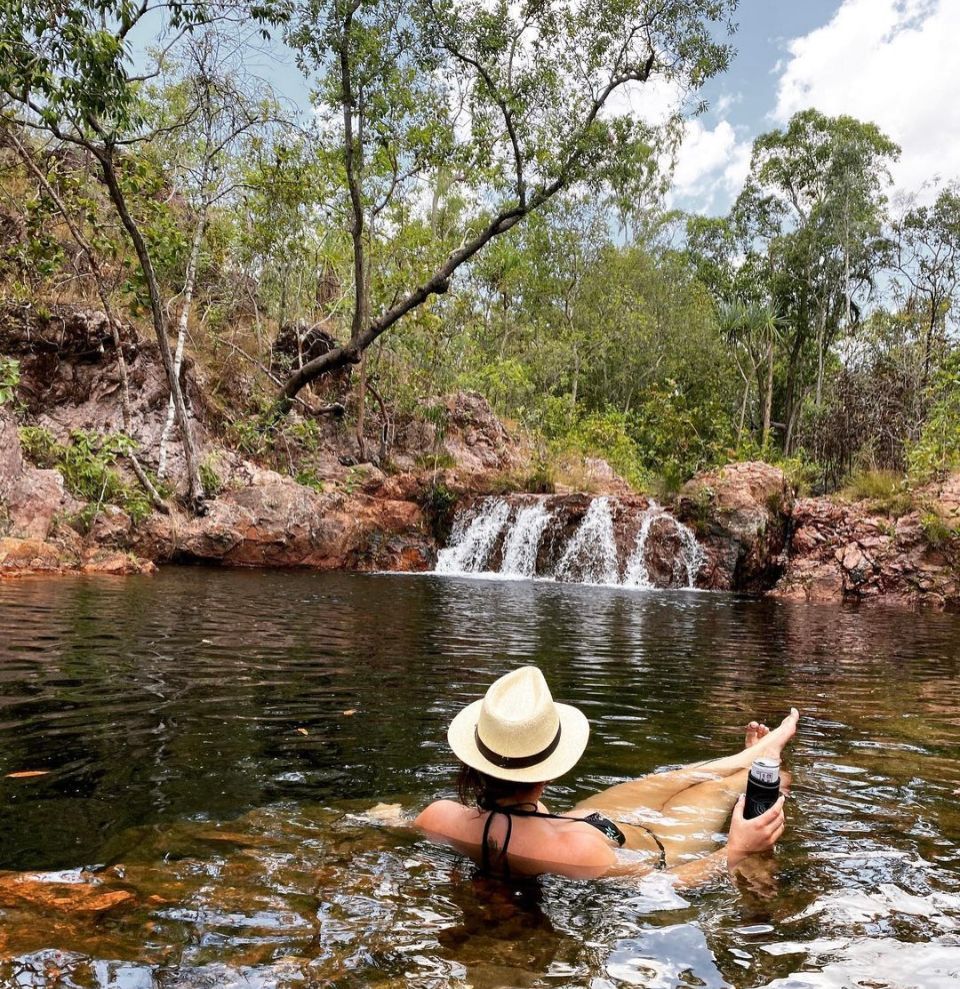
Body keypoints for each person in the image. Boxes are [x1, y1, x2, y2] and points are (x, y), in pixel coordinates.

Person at [415, 665, 797, 883]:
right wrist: (737, 851)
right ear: (549, 771)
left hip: (586, 820)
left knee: (672, 779)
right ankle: (761, 761)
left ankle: (751, 755)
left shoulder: (438, 817)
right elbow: (665, 884)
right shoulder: (582, 857)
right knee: (756, 783)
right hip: (654, 842)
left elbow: (389, 820)